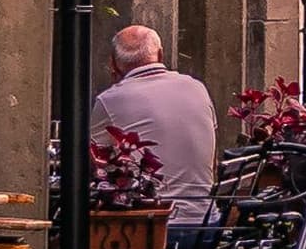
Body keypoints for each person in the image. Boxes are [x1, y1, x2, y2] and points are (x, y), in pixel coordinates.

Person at [92, 27, 218, 223]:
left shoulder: (110, 100)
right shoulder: (196, 87)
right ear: (160, 54)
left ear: (113, 64)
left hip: (151, 227)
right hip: (207, 223)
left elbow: (93, 160)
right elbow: (212, 160)